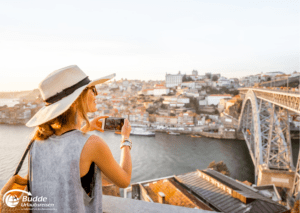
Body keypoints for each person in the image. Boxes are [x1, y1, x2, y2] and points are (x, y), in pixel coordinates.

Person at [26, 65, 132, 213]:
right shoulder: (93, 144)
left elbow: (67, 153)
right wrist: (125, 139)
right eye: (93, 89)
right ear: (77, 99)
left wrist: (86, 128)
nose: (96, 94)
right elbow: (124, 180)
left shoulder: (36, 143)